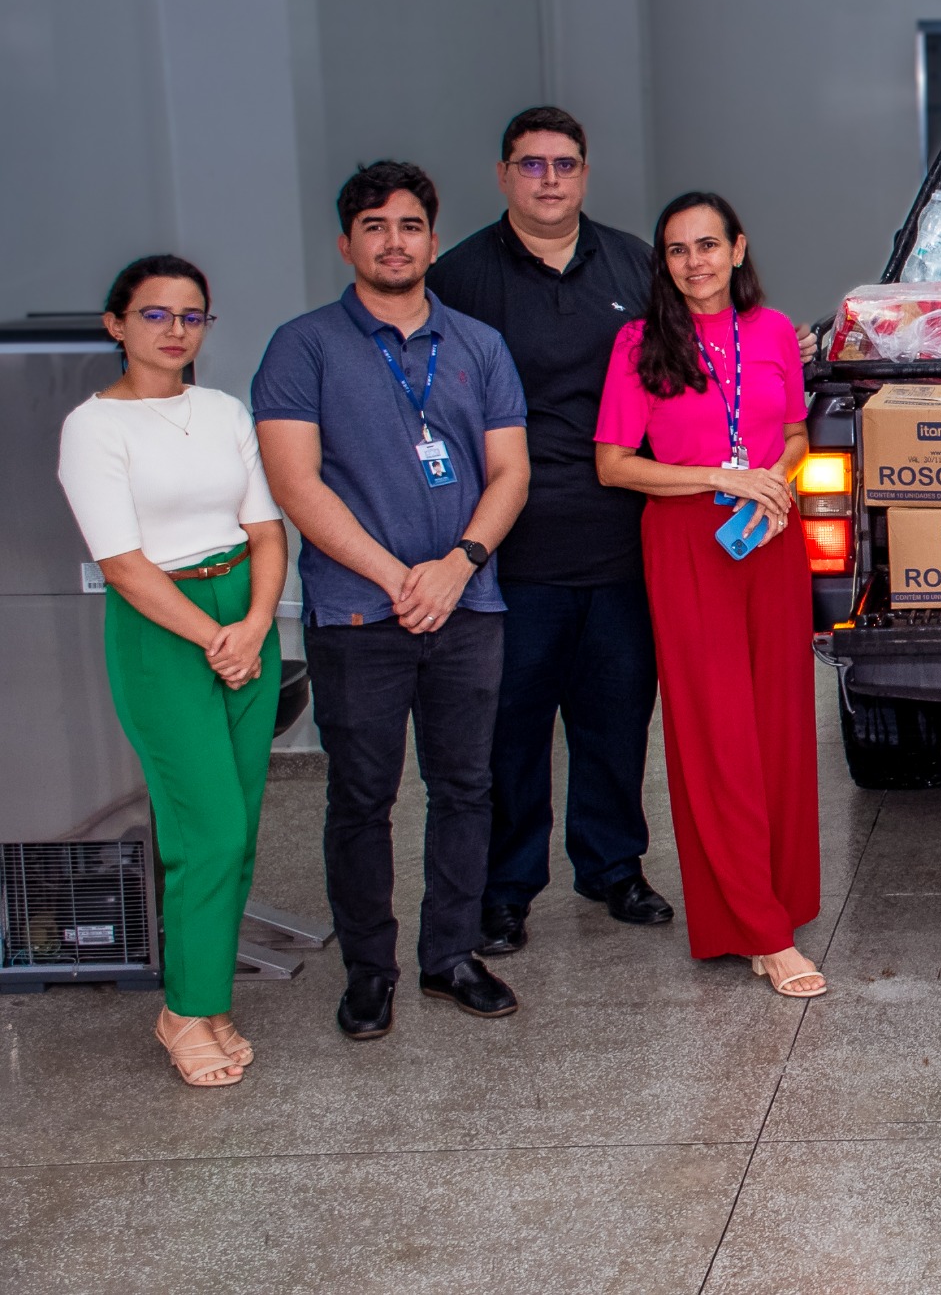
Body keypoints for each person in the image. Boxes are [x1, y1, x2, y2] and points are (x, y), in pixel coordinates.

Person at [254, 163, 531, 1038]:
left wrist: (458, 564)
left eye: (410, 225)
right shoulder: (302, 347)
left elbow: (511, 472)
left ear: (433, 241)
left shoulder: (479, 344)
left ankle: (449, 954)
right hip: (357, 615)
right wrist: (393, 574)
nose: (393, 241)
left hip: (467, 606)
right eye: (374, 226)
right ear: (347, 243)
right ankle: (369, 969)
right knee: (360, 797)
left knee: (465, 787)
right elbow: (295, 484)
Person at [428, 107, 672, 955]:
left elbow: (684, 380)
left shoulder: (637, 266)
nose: (549, 179)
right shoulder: (460, 278)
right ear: (502, 176)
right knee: (514, 731)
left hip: (621, 539)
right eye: (530, 165)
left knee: (615, 719)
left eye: (564, 163)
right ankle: (505, 889)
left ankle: (612, 867)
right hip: (509, 551)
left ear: (585, 174)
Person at [55, 257, 286, 1087]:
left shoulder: (222, 410)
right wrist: (215, 637)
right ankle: (184, 1011)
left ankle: (211, 1000)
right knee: (208, 830)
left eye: (192, 316)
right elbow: (120, 563)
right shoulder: (94, 427)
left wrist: (255, 623)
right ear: (117, 324)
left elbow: (264, 528)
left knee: (241, 829)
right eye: (155, 315)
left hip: (243, 617)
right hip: (162, 630)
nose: (176, 330)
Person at [595, 192, 825, 996]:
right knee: (716, 729)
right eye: (676, 249)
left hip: (768, 532)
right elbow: (615, 463)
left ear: (737, 248)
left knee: (781, 727)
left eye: (706, 245)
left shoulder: (771, 333)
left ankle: (779, 903)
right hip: (690, 540)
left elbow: (794, 435)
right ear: (664, 263)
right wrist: (718, 477)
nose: (693, 261)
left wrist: (776, 486)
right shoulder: (640, 342)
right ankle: (757, 930)